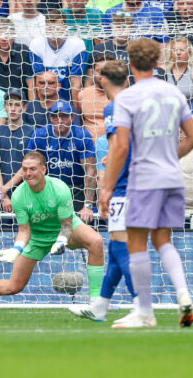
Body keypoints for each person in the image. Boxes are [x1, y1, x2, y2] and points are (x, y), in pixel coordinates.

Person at [99, 38, 193, 328]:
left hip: (143, 177)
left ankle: (145, 312)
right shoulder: (173, 92)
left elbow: (119, 148)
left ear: (130, 64)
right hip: (172, 176)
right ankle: (183, 293)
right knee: (163, 239)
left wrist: (106, 187)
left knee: (136, 242)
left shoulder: (126, 99)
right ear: (158, 62)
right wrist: (170, 155)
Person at [0, 151, 105, 310]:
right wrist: (16, 249)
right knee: (13, 286)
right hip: (37, 237)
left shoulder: (60, 189)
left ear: (44, 170)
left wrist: (62, 240)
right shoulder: (19, 195)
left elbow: (67, 225)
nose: (28, 173)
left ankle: (97, 301)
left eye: (33, 169)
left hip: (65, 229)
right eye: (25, 169)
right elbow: (24, 230)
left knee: (96, 241)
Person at [68, 59, 137, 322]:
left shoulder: (113, 108)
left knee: (121, 247)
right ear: (128, 82)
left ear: (103, 82)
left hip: (123, 186)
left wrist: (105, 190)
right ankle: (99, 306)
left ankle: (142, 307)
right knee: (122, 246)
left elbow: (116, 149)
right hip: (144, 184)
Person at [25, 101, 97, 221]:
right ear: (51, 118)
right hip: (47, 189)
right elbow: (29, 168)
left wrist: (88, 205)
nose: (59, 120)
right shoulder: (40, 135)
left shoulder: (81, 135)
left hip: (76, 189)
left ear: (72, 117)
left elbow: (90, 171)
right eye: (55, 116)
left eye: (64, 116)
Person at [29, 10, 88, 102]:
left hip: (68, 98)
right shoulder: (36, 45)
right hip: (46, 99)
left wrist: (75, 110)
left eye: (57, 29)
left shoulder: (77, 45)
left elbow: (76, 83)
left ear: (65, 28)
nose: (53, 32)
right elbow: (39, 82)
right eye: (49, 29)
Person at [0, 88, 35, 201]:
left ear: (24, 108)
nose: (13, 109)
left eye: (17, 105)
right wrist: (3, 195)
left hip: (25, 192)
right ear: (5, 107)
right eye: (10, 104)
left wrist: (5, 189)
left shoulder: (33, 132)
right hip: (0, 194)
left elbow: (28, 166)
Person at [0, 19, 35, 94]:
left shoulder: (23, 51)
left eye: (8, 35)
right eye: (0, 35)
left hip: (19, 101)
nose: (4, 39)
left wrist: (31, 105)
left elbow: (31, 83)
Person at [76, 52, 114, 140]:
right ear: (93, 72)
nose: (102, 75)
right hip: (89, 148)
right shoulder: (83, 94)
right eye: (99, 71)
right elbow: (80, 120)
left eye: (106, 71)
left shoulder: (120, 95)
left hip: (114, 145)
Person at [164, 37, 193, 104]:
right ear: (171, 53)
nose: (178, 53)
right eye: (175, 50)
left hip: (191, 113)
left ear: (190, 53)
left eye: (182, 50)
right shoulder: (164, 69)